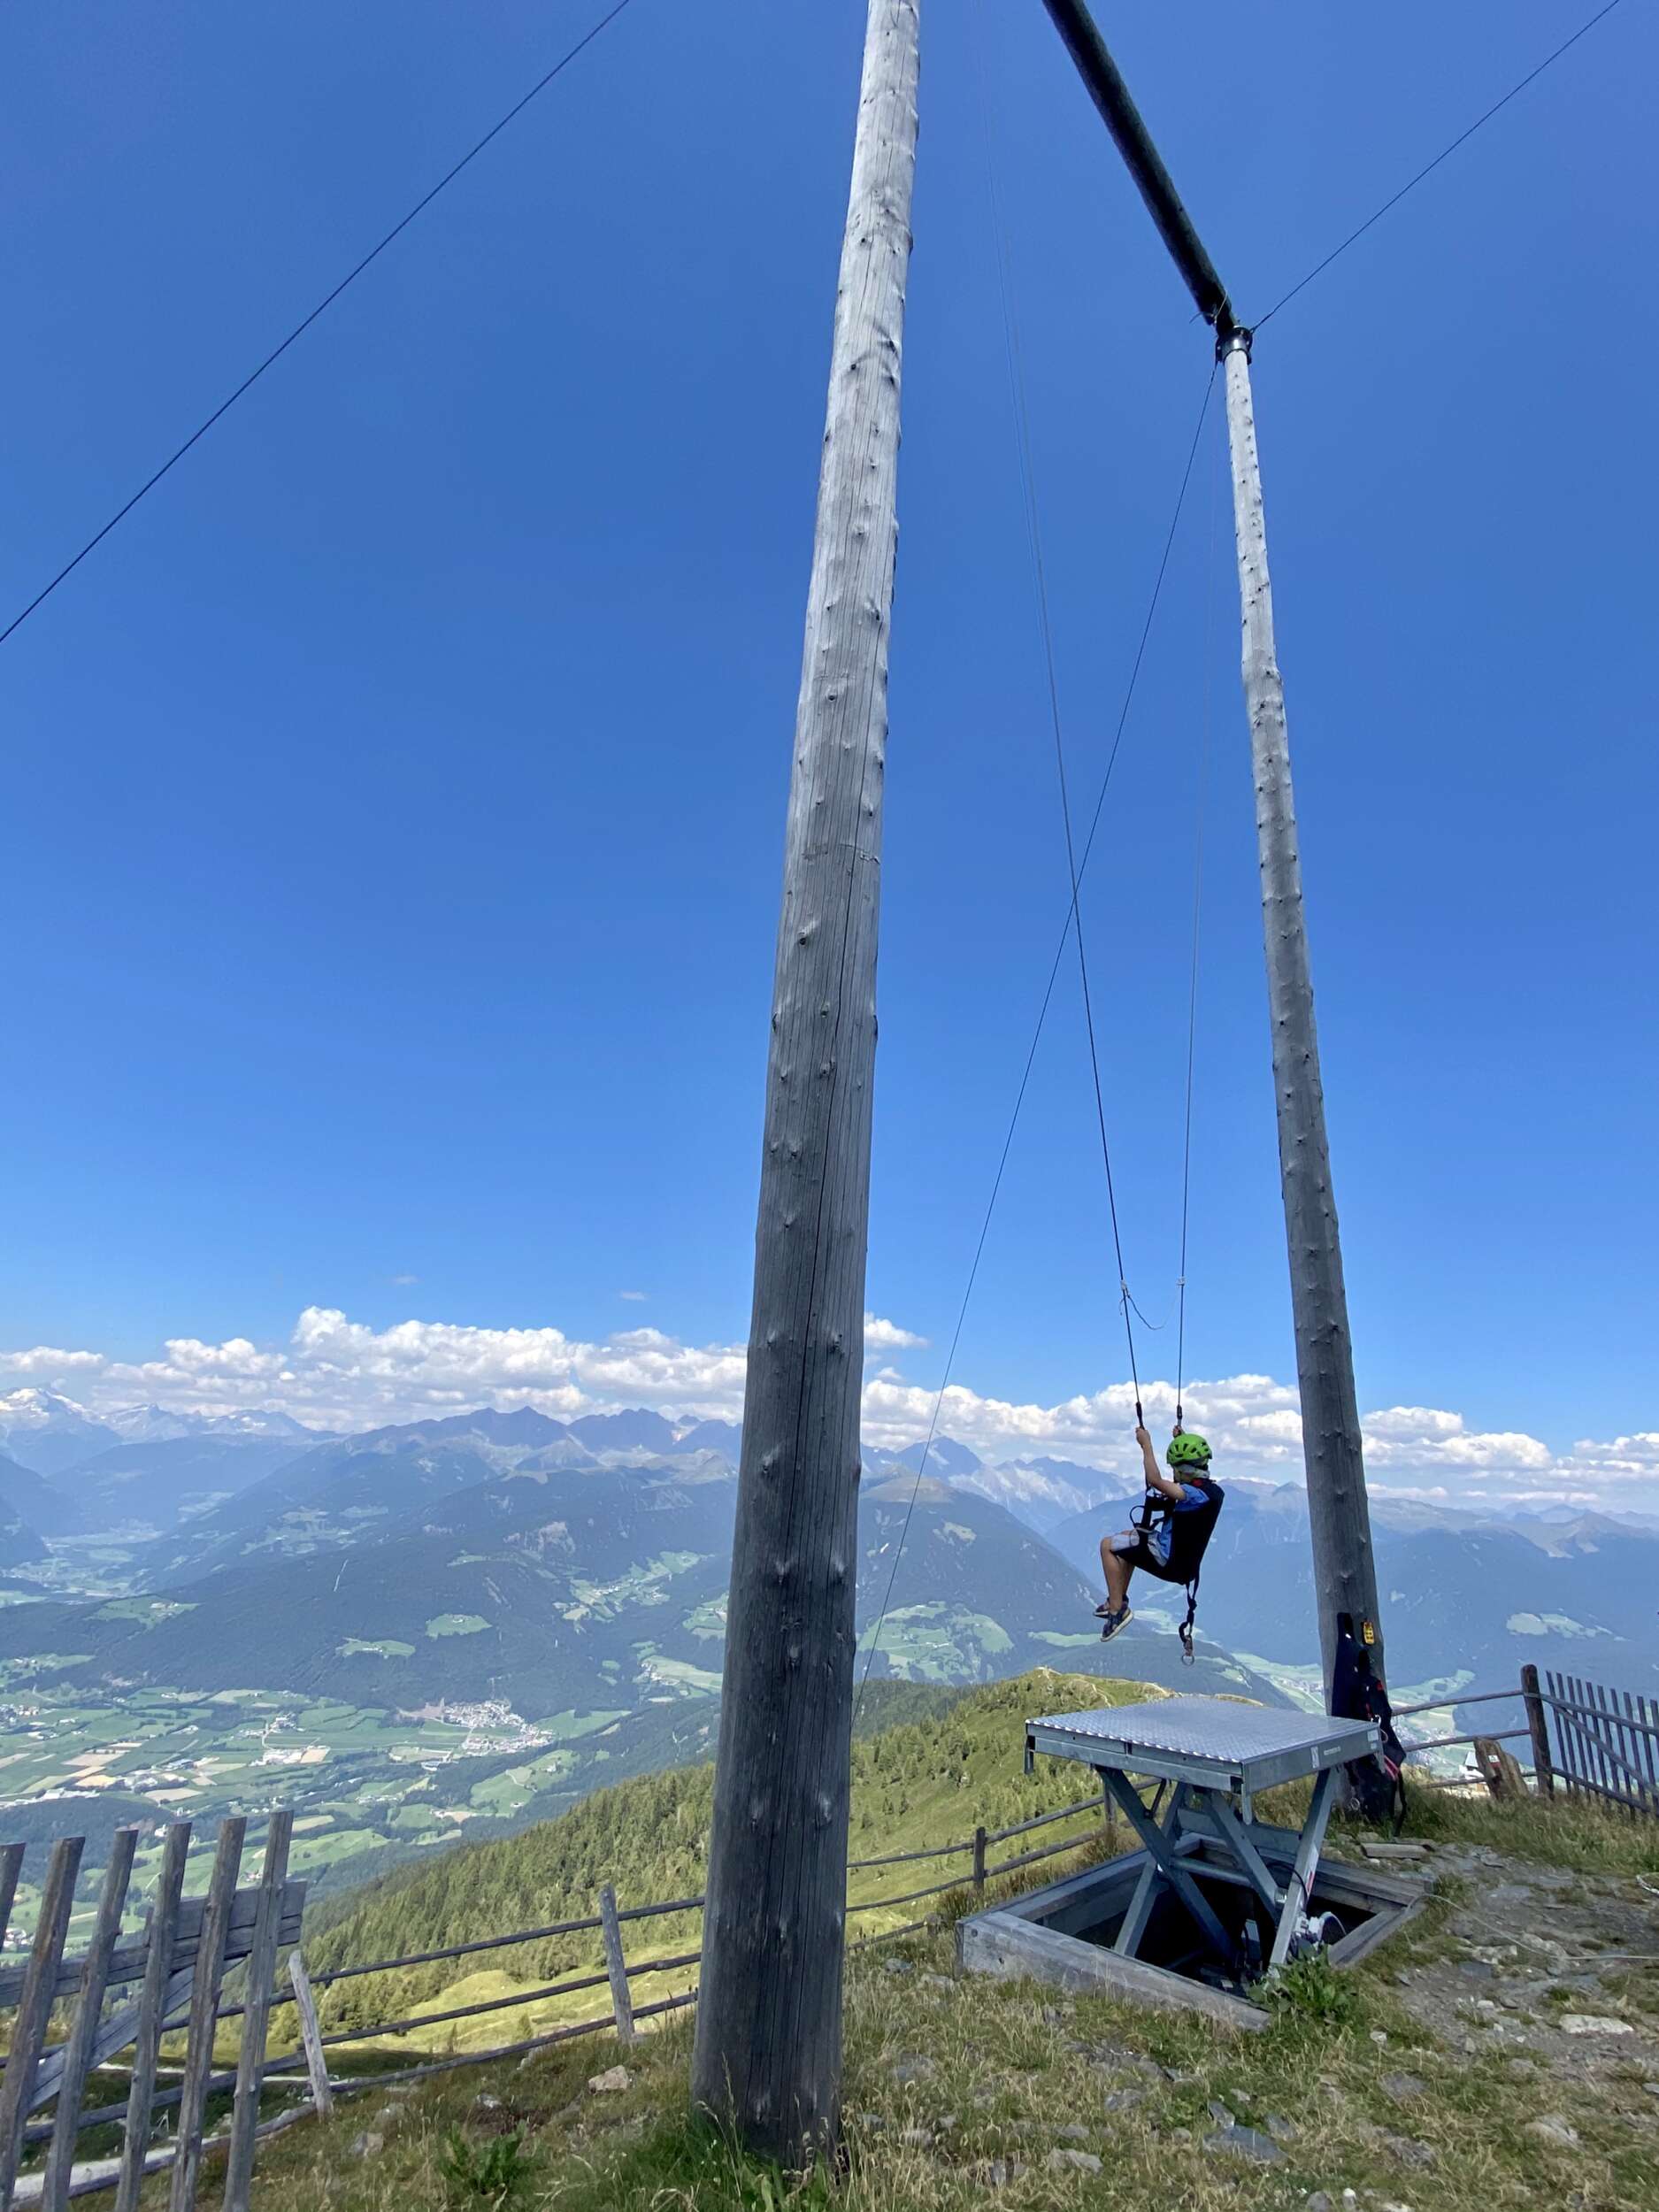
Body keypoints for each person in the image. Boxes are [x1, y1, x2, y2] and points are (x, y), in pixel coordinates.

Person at [1096, 1424, 1223, 1643]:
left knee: (1106, 1545)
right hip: (1183, 1564)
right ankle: (1120, 1597)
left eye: (1175, 1469)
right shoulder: (1211, 1493)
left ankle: (1116, 1609)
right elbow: (1182, 1486)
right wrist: (1181, 1440)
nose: (1173, 1473)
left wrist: (1146, 1445)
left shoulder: (1191, 1494)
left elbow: (1155, 1480)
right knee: (1132, 1537)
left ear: (1183, 1471)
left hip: (1166, 1559)